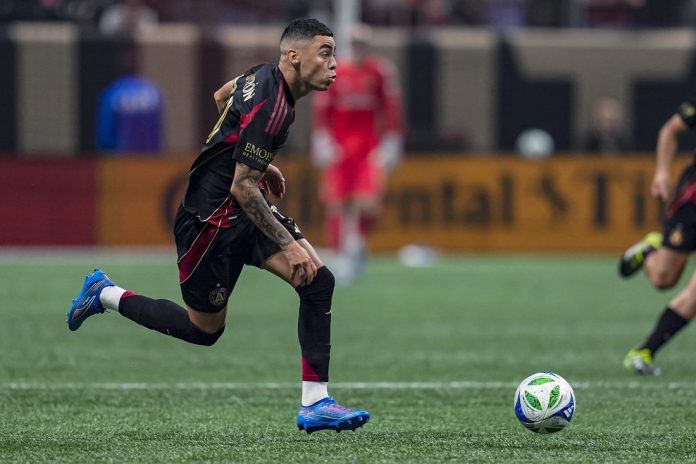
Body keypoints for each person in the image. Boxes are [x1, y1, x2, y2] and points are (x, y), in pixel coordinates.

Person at [67, 18, 370, 433]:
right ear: (295, 57)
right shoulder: (274, 107)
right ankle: (105, 294)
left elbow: (223, 96)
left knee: (318, 282)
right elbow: (242, 187)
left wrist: (256, 158)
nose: (334, 63)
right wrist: (287, 239)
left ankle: (316, 402)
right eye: (326, 53)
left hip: (239, 210)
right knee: (203, 330)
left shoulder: (262, 75)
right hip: (208, 224)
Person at [310, 24, 403, 284]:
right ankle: (339, 254)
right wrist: (321, 139)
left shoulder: (379, 72)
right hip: (341, 149)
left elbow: (391, 107)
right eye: (354, 44)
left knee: (369, 201)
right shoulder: (334, 72)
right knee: (336, 201)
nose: (358, 48)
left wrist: (392, 140)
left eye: (362, 43)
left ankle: (358, 242)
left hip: (368, 147)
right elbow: (323, 108)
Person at [618, 97, 696, 375]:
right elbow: (670, 130)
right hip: (692, 204)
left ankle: (644, 352)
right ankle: (651, 250)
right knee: (664, 278)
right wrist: (662, 172)